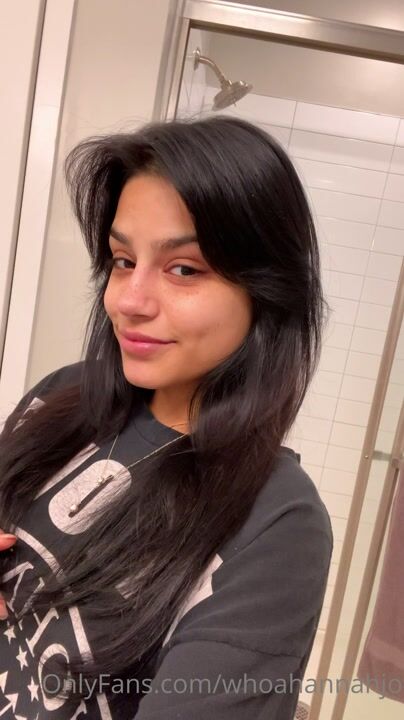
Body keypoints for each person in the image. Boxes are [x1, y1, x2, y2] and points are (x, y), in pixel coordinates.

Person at [0, 115, 333, 720]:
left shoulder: (276, 523)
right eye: (123, 260)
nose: (129, 300)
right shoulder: (64, 396)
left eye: (184, 269)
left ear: (267, 291)